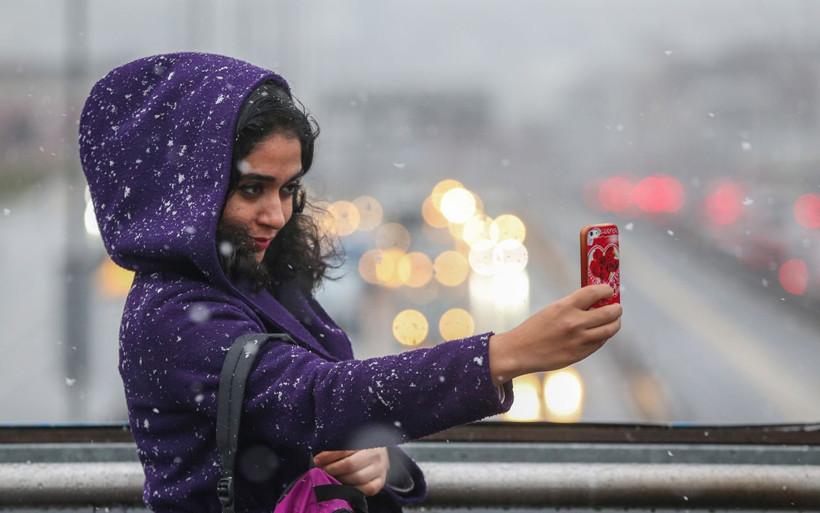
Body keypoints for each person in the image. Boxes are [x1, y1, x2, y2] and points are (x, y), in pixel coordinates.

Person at [80, 52, 621, 513]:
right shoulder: (174, 314)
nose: (277, 214)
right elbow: (320, 399)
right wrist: (504, 354)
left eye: (288, 189)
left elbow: (328, 423)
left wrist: (377, 462)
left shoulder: (256, 283)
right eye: (250, 190)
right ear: (187, 192)